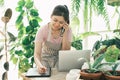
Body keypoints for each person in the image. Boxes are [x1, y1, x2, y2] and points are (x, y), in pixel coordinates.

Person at [34, 5, 72, 73]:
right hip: (45, 60)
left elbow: (65, 51)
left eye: (61, 22)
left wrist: (65, 33)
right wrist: (39, 66)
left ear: (65, 22)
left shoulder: (67, 30)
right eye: (55, 20)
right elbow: (37, 53)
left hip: (60, 60)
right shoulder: (43, 30)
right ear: (51, 16)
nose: (57, 24)